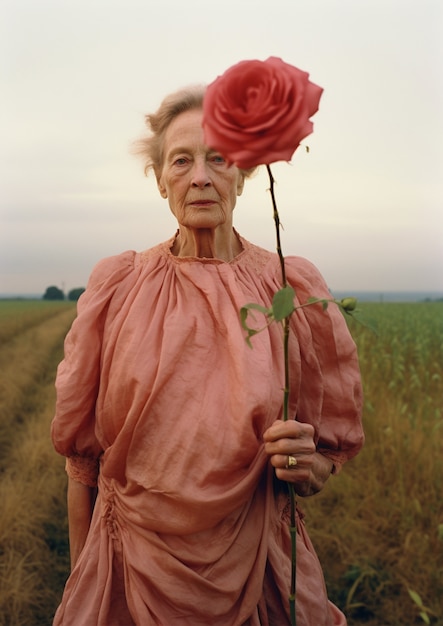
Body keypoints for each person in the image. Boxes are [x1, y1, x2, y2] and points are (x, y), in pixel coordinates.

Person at [51, 85, 364, 626]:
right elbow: (83, 466)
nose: (200, 176)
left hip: (261, 577)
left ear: (242, 175)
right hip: (128, 579)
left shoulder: (288, 289)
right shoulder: (118, 288)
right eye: (182, 160)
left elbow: (322, 458)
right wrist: (85, 582)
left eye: (218, 158)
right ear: (160, 179)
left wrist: (306, 464)